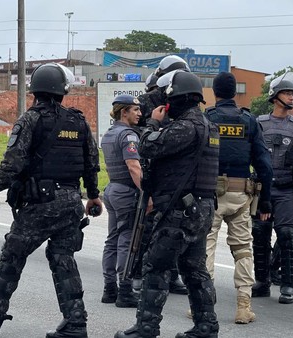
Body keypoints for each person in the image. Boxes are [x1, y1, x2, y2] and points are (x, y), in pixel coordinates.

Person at [0, 63, 103, 338]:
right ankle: (75, 323)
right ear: (64, 90)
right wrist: (94, 196)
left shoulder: (30, 119)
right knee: (62, 258)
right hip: (71, 202)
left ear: (35, 89)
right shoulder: (78, 121)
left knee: (12, 256)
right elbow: (91, 164)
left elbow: (12, 163)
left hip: (41, 203)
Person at [115, 70, 220, 338]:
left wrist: (152, 122)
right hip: (201, 208)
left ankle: (146, 328)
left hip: (179, 211)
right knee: (194, 268)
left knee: (156, 265)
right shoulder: (210, 126)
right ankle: (206, 326)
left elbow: (148, 146)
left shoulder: (186, 127)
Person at [204, 72, 273, 324]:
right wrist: (265, 199)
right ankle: (243, 307)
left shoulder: (207, 118)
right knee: (243, 249)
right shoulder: (249, 121)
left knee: (205, 248)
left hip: (210, 195)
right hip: (241, 194)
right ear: (234, 93)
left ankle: (202, 305)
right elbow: (264, 164)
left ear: (215, 92)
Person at [252, 78, 293, 304]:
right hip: (263, 188)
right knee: (259, 233)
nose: (292, 97)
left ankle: (288, 284)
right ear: (275, 96)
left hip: (287, 189)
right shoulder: (259, 123)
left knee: (287, 235)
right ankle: (262, 281)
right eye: (287, 93)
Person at [134, 55, 191, 296]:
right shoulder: (146, 102)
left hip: (176, 173)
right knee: (146, 227)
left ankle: (173, 274)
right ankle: (137, 274)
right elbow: (136, 133)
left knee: (175, 229)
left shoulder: (183, 101)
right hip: (150, 167)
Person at [100, 94, 143, 308]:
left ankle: (109, 289)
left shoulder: (109, 133)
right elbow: (134, 166)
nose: (139, 114)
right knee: (126, 240)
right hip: (126, 192)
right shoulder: (128, 135)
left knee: (112, 240)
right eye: (135, 110)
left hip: (112, 189)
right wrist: (146, 192)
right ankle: (125, 291)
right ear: (124, 112)